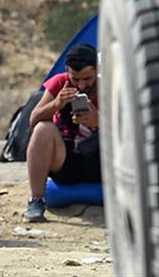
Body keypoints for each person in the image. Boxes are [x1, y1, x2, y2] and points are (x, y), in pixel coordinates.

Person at [23, 43, 100, 223]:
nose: (82, 85)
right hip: (67, 159)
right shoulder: (59, 83)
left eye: (87, 79)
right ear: (67, 72)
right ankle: (36, 201)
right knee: (43, 128)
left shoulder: (109, 86)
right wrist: (56, 104)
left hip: (99, 159)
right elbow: (33, 119)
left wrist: (99, 121)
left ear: (97, 70)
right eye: (76, 79)